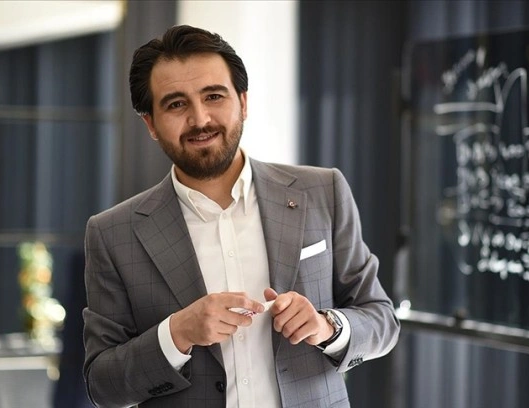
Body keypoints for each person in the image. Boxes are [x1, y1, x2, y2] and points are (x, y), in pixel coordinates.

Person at [82, 24, 400, 408]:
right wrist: (177, 333)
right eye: (176, 104)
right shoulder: (112, 233)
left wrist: (327, 326)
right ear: (150, 123)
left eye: (214, 96)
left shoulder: (323, 191)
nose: (200, 119)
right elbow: (102, 384)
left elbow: (381, 320)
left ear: (243, 102)